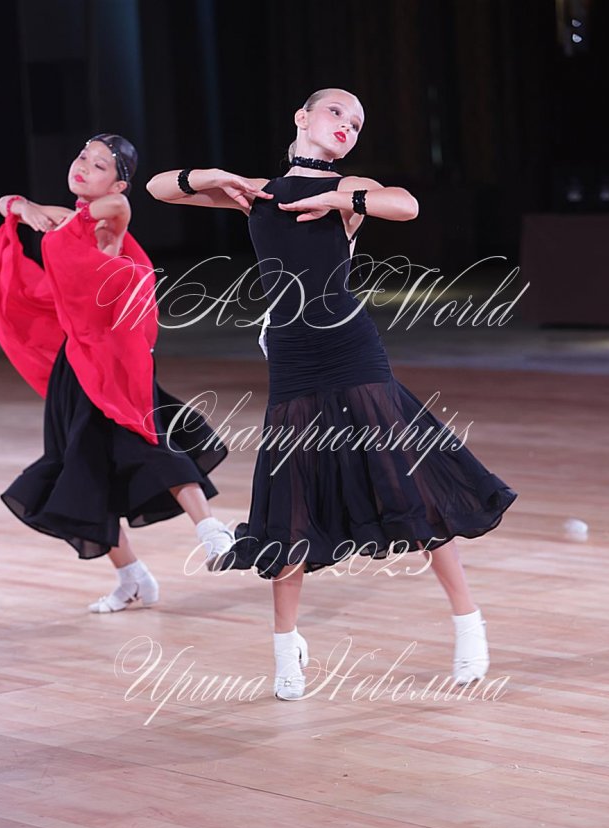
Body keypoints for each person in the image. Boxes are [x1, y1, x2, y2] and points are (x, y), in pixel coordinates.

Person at [146, 89, 516, 698]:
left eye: (357, 122)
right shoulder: (260, 192)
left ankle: (468, 621)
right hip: (293, 359)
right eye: (336, 112)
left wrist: (340, 199)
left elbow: (406, 205)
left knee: (407, 484)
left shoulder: (348, 188)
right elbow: (159, 188)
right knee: (290, 501)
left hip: (351, 349)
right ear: (302, 116)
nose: (347, 125)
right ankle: (285, 649)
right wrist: (211, 176)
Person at [0, 133, 234, 613]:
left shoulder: (111, 214)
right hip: (74, 364)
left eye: (99, 165)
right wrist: (23, 207)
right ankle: (132, 577)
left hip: (113, 361)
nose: (83, 166)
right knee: (81, 469)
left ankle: (211, 529)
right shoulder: (69, 217)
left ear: (118, 182)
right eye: (82, 156)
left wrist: (44, 213)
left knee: (148, 441)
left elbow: (107, 209)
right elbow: (4, 203)